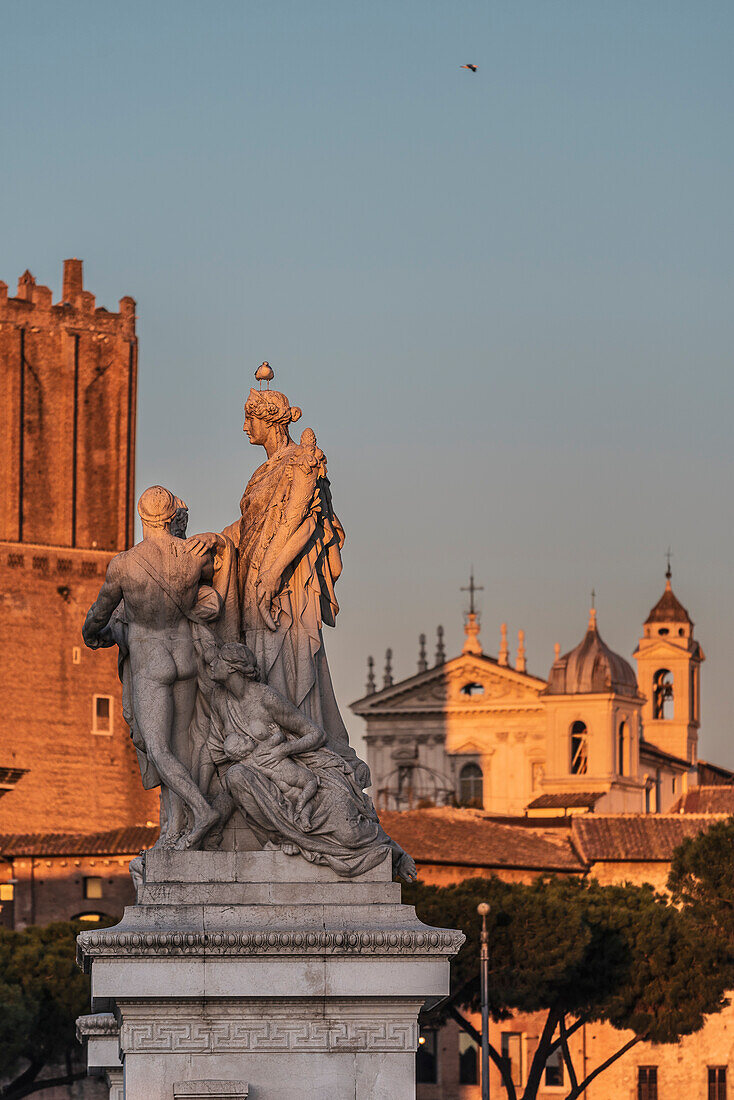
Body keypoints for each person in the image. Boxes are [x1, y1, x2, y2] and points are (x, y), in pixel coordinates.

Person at [231, 378, 370, 790]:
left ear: (268, 420)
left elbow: (302, 522)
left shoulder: (298, 462)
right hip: (256, 572)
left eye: (248, 420)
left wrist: (272, 573)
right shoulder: (266, 470)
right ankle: (271, 745)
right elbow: (252, 526)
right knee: (260, 657)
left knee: (285, 658)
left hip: (288, 581)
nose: (244, 429)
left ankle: (299, 747)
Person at [82, 485, 221, 849]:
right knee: (181, 747)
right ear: (173, 517)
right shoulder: (193, 557)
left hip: (151, 660)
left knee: (159, 750)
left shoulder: (125, 565)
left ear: (142, 517)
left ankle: (202, 812)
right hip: (185, 657)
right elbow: (221, 571)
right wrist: (212, 540)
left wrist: (92, 634)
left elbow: (99, 613)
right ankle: (174, 828)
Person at [206, 641, 417, 881]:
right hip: (267, 783)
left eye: (219, 660)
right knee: (235, 776)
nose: (212, 664)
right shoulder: (220, 701)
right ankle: (285, 837)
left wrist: (283, 750)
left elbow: (316, 733)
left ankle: (397, 853)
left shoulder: (265, 698)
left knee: (350, 834)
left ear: (233, 667)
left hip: (306, 772)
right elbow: (218, 751)